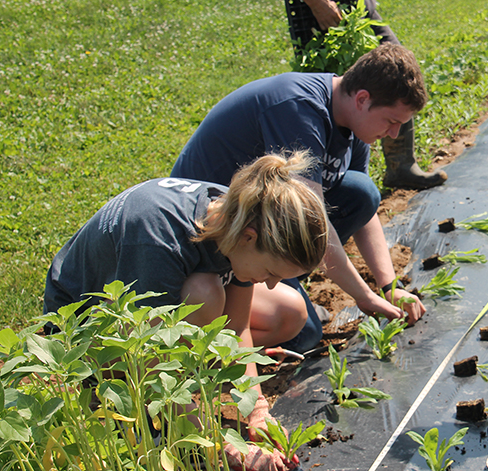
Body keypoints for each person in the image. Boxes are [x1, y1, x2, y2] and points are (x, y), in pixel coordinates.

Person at [44, 151, 329, 471]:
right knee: (205, 294)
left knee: (289, 311)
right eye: (269, 272)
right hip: (83, 334)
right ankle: (157, 420)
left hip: (154, 311)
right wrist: (223, 445)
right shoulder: (155, 239)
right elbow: (148, 363)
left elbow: (235, 328)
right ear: (249, 237)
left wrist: (257, 408)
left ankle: (193, 369)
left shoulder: (236, 216)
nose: (270, 283)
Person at [171, 44, 427, 354]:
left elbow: (364, 212)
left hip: (261, 228)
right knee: (303, 331)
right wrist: (363, 296)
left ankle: (277, 280)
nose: (395, 134)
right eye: (391, 121)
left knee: (362, 193)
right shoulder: (298, 110)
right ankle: (213, 345)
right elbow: (313, 221)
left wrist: (388, 288)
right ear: (362, 99)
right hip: (210, 242)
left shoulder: (353, 123)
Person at [285, 0, 447, 190]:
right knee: (345, 92)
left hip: (355, 5)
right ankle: (320, 183)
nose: (393, 133)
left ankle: (399, 167)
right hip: (321, 9)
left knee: (394, 70)